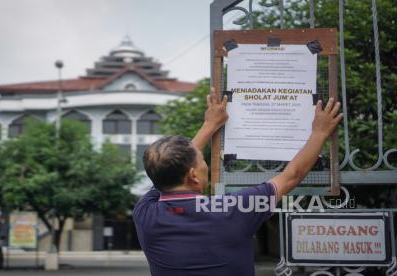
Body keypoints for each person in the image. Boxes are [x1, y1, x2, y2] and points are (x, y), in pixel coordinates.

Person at [133, 88, 343, 276]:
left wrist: (210, 125)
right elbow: (292, 175)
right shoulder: (236, 208)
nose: (204, 163)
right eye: (202, 160)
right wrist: (319, 132)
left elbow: (167, 168)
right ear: (193, 175)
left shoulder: (144, 213)